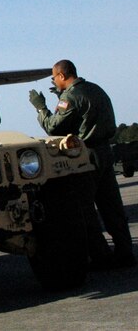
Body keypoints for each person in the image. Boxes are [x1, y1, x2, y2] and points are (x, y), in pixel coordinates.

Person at [28, 59, 135, 269]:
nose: (54, 81)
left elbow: (53, 127)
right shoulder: (96, 89)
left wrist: (41, 108)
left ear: (61, 76)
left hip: (86, 155)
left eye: (54, 77)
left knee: (85, 209)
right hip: (105, 151)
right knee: (112, 207)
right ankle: (125, 254)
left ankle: (101, 258)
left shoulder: (70, 97)